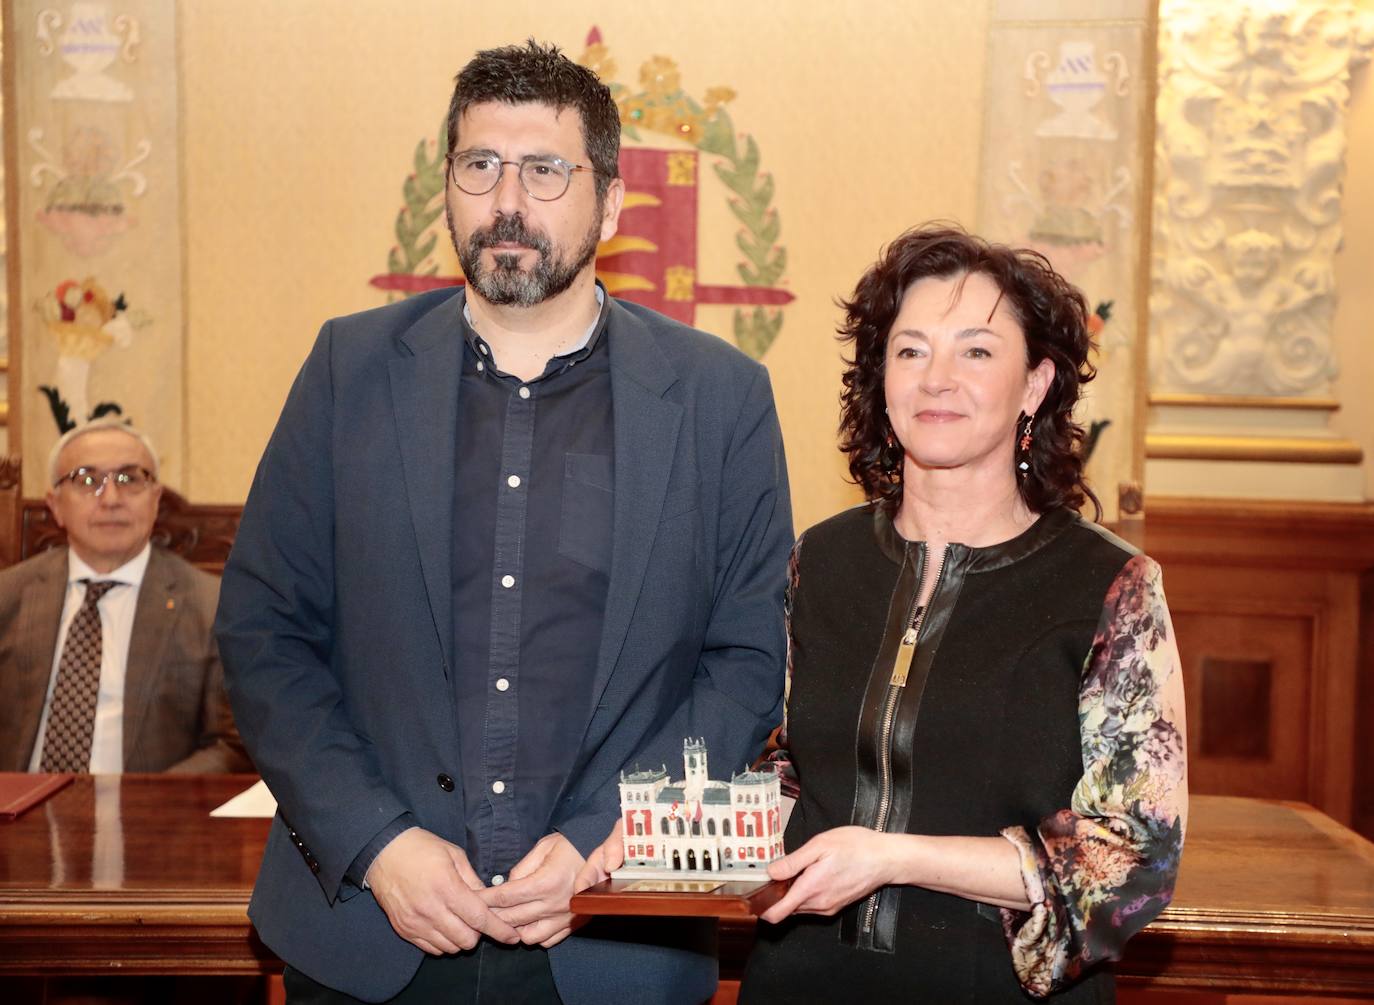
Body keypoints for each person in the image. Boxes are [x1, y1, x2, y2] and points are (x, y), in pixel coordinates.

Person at [215, 40, 791, 1005]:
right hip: (370, 929)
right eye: (479, 165)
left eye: (546, 170)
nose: (507, 201)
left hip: (614, 937)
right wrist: (378, 841)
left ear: (610, 203)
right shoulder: (348, 370)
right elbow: (264, 631)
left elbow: (745, 663)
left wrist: (607, 842)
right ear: (448, 186)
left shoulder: (719, 397)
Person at [727, 225, 1186, 1001]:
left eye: (976, 351)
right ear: (881, 378)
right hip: (805, 976)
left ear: (1035, 385)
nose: (937, 379)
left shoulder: (1113, 584)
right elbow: (798, 764)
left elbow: (1135, 859)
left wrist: (894, 856)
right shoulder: (822, 559)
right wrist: (672, 833)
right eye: (911, 351)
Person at [0, 418, 250, 774]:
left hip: (152, 804)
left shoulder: (212, 607)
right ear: (55, 505)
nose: (111, 499)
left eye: (130, 479)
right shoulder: (8, 596)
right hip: (19, 803)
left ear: (155, 499)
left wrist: (144, 798)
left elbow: (231, 746)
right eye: (87, 480)